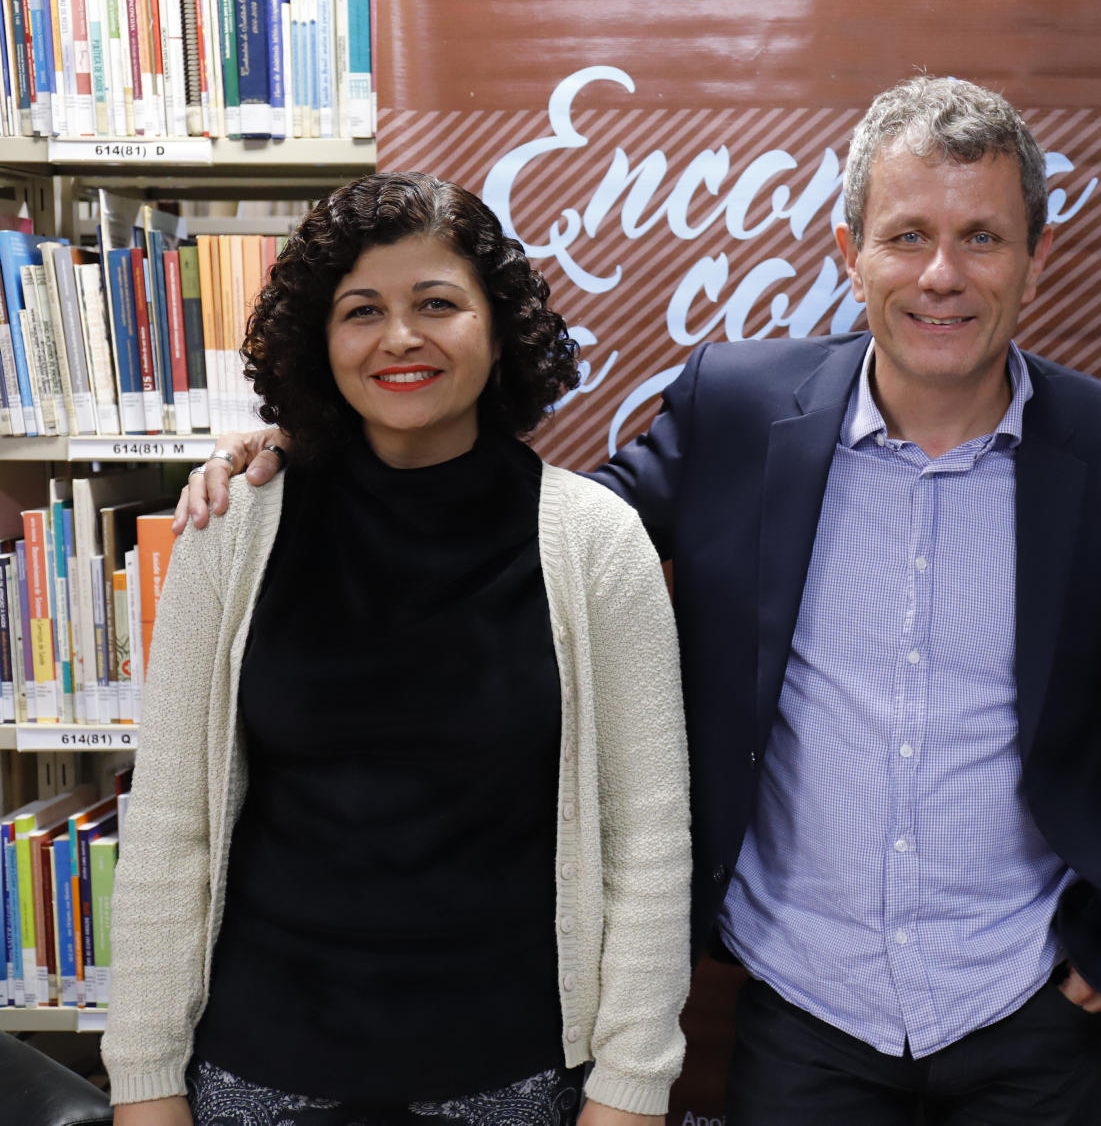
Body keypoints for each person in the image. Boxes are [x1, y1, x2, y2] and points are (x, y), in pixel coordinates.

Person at [178, 75, 1101, 1125]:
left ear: (1037, 252)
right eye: (906, 235)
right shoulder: (736, 410)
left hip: (1025, 1002)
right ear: (848, 253)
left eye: (981, 237)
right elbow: (524, 532)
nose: (941, 274)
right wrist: (316, 448)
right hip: (805, 1009)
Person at [105, 172, 692, 1126]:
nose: (401, 337)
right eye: (362, 310)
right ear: (320, 341)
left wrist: (629, 1091)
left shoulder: (595, 543)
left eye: (438, 304)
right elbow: (173, 828)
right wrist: (145, 1081)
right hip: (257, 1072)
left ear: (498, 330)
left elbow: (648, 845)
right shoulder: (235, 528)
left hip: (514, 1077)